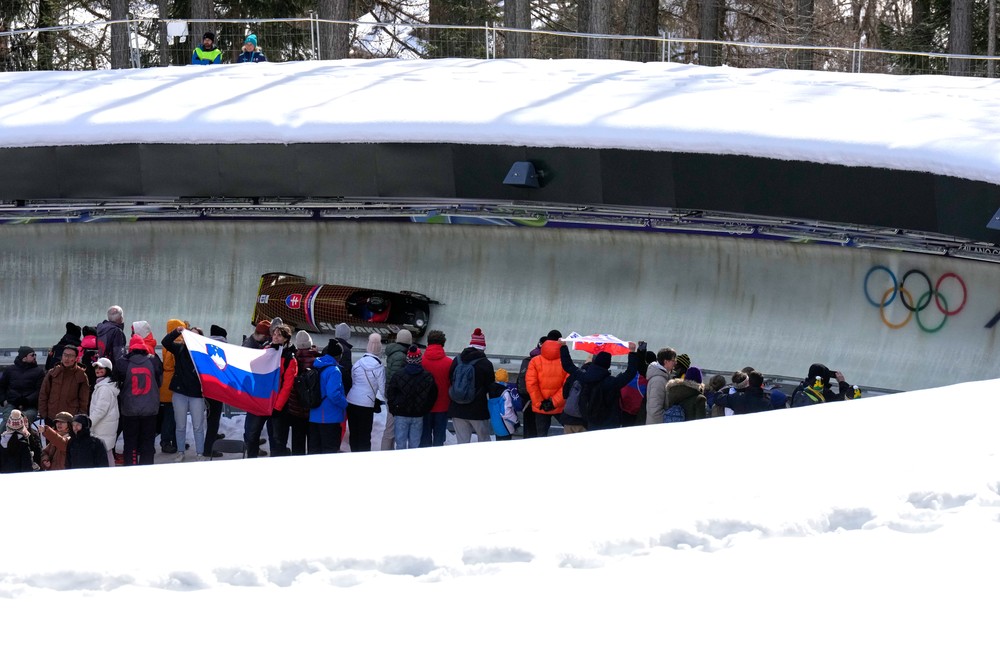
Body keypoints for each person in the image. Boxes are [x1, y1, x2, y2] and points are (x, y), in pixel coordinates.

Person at [559, 341, 641, 430]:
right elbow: (630, 372)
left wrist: (563, 346)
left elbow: (568, 365)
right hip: (610, 423)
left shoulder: (584, 377)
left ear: (595, 362)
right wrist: (632, 352)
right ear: (608, 364)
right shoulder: (612, 382)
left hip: (590, 420)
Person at [245, 323, 297, 458]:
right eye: (274, 334)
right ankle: (251, 460)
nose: (276, 337)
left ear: (286, 339)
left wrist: (277, 406)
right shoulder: (266, 350)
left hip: (277, 406)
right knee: (251, 434)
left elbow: (287, 386)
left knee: (277, 440)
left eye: (280, 335)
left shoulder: (290, 358)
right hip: (261, 400)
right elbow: (252, 367)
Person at [115, 334, 163, 465]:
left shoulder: (122, 362)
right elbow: (159, 382)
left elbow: (118, 383)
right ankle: (146, 468)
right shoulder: (154, 361)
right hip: (150, 409)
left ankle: (131, 467)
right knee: (148, 442)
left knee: (130, 443)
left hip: (129, 409)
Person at [161, 324, 206, 462]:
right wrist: (177, 331)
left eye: (195, 334)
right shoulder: (180, 348)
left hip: (197, 394)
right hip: (180, 392)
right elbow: (165, 342)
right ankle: (180, 452)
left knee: (198, 425)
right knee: (180, 425)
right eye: (190, 334)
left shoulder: (203, 353)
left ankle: (200, 453)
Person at [447, 328, 495, 444]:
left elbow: (450, 378)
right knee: (484, 441)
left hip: (457, 408)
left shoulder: (457, 360)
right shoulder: (486, 363)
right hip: (478, 409)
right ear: (483, 347)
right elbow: (491, 386)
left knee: (462, 443)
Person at [386, 345, 437, 449]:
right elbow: (433, 395)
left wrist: (393, 408)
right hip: (418, 415)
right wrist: (425, 410)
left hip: (400, 414)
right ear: (419, 359)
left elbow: (390, 393)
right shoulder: (427, 376)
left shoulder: (398, 374)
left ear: (408, 359)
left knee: (400, 444)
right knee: (415, 444)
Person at [345, 333, 386, 452]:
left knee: (354, 433)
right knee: (364, 435)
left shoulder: (358, 363)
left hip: (351, 401)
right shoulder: (379, 367)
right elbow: (382, 388)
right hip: (366, 404)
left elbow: (353, 380)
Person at [309, 340, 349, 454]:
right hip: (330, 417)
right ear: (339, 356)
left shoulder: (317, 365)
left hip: (314, 415)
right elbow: (333, 394)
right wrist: (344, 403)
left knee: (314, 450)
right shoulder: (334, 371)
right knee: (329, 451)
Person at [284, 330, 321, 455]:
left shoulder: (293, 359)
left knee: (297, 442)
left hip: (296, 409)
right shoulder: (317, 359)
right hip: (313, 409)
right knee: (313, 443)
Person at [526, 330, 568, 437]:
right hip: (560, 406)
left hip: (540, 408)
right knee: (569, 432)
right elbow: (567, 385)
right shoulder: (565, 361)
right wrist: (553, 402)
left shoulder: (535, 361)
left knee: (541, 436)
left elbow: (531, 384)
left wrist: (540, 403)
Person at [38, 345, 90, 426]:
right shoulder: (53, 373)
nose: (67, 358)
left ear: (76, 358)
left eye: (70, 356)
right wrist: (44, 415)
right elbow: (43, 395)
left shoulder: (81, 375)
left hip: (70, 420)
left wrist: (79, 418)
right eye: (65, 355)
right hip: (51, 417)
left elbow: (84, 401)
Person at [380, 328, 413, 451]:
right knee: (391, 427)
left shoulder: (395, 352)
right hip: (395, 396)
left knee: (392, 426)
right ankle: (386, 451)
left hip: (392, 394)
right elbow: (397, 377)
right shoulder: (401, 356)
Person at [158, 318, 186, 454]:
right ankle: (166, 442)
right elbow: (171, 364)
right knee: (170, 416)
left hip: (167, 383)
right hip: (171, 384)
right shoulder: (175, 345)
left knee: (174, 415)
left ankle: (175, 441)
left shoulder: (168, 344)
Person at [420, 330, 452, 447]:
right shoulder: (449, 362)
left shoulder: (421, 361)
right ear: (443, 343)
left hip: (424, 406)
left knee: (424, 439)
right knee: (439, 439)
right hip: (442, 406)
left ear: (428, 342)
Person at [0, 346, 45, 429]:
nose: (35, 357)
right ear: (24, 357)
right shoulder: (10, 370)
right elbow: (2, 387)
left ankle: (25, 440)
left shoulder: (39, 372)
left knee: (22, 420)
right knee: (8, 421)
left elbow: (40, 390)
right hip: (12, 403)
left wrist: (27, 400)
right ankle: (4, 440)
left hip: (30, 406)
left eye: (35, 355)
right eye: (32, 355)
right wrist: (3, 401)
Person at [88, 357, 120, 466]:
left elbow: (100, 410)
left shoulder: (104, 388)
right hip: (104, 427)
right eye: (96, 367)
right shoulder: (104, 385)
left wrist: (88, 424)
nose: (98, 370)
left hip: (102, 428)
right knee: (107, 453)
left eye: (101, 368)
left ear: (108, 370)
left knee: (104, 456)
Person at [516, 337, 545, 439]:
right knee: (539, 429)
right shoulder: (542, 361)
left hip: (525, 399)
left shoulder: (526, 360)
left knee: (528, 428)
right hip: (537, 399)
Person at [644, 347, 677, 425]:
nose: (675, 363)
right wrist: (668, 419)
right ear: (666, 361)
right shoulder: (658, 380)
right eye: (673, 360)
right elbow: (655, 409)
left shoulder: (662, 377)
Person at [488, 369, 519, 441]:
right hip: (505, 425)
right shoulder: (505, 393)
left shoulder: (490, 392)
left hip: (495, 423)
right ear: (506, 379)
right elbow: (507, 413)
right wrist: (516, 421)